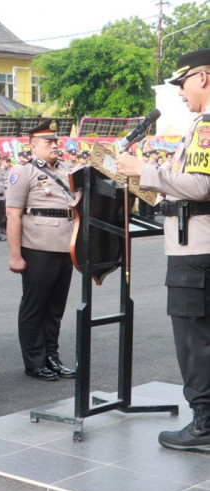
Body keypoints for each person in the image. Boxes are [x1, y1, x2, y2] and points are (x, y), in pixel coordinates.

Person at [116, 49, 210, 453]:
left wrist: (143, 171)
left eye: (183, 83)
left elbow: (202, 187)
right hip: (195, 242)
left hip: (196, 248)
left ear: (203, 78)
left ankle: (205, 423)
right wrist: (146, 184)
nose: (180, 93)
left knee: (194, 338)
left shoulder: (206, 125)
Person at [5, 119, 76, 381]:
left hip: (65, 248)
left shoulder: (67, 170)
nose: (55, 145)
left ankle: (52, 356)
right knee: (35, 307)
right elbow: (13, 215)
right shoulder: (24, 172)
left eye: (56, 141)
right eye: (49, 141)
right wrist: (15, 255)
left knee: (55, 309)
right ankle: (34, 361)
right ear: (33, 146)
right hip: (37, 248)